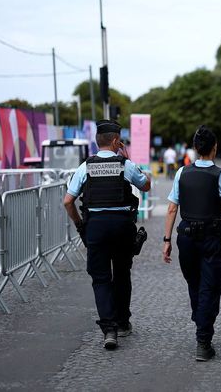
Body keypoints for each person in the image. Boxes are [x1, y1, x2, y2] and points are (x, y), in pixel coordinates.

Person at [63, 119, 151, 350]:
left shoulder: (85, 167)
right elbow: (146, 186)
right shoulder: (126, 165)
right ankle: (122, 323)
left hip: (96, 227)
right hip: (122, 226)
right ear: (115, 141)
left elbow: (68, 201)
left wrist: (80, 224)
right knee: (121, 274)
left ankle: (109, 330)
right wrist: (129, 158)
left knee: (101, 278)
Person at [162, 125, 221, 362]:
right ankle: (203, 338)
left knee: (195, 282)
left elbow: (171, 207)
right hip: (211, 238)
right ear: (214, 148)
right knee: (213, 284)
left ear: (196, 148)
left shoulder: (181, 173)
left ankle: (201, 317)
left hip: (185, 236)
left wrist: (166, 240)